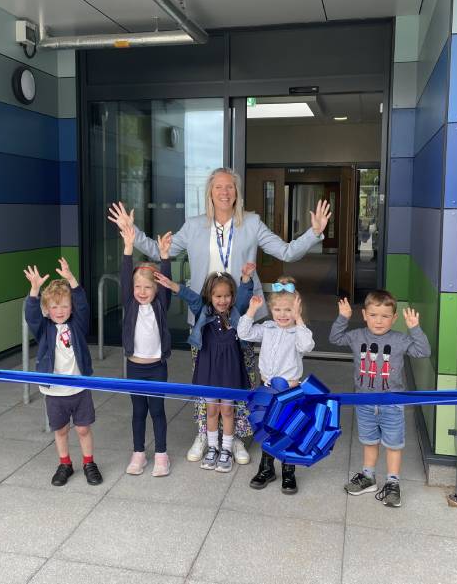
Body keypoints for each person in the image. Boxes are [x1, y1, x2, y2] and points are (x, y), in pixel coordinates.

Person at [108, 167, 332, 464]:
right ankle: (205, 434)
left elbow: (287, 252)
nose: (225, 192)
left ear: (236, 192)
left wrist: (314, 232)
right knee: (206, 380)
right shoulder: (194, 225)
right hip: (204, 318)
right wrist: (131, 233)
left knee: (240, 380)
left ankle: (235, 436)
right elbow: (159, 249)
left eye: (230, 187)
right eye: (218, 187)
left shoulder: (252, 223)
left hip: (243, 316)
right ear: (210, 193)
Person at [329, 290, 431, 507]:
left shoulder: (400, 339)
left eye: (385, 316)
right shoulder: (357, 336)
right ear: (364, 314)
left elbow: (423, 351)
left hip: (392, 403)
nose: (379, 321)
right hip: (364, 402)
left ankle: (393, 483)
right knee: (369, 440)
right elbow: (335, 338)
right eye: (374, 315)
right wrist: (343, 318)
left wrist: (414, 329)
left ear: (394, 318)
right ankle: (368, 477)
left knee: (394, 444)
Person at [154, 264, 255, 473]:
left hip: (230, 369)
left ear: (232, 296)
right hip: (209, 368)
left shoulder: (236, 312)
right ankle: (212, 447)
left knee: (227, 410)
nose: (222, 300)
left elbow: (245, 296)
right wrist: (172, 285)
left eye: (227, 296)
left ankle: (226, 449)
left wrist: (246, 278)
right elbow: (189, 296)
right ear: (209, 296)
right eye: (217, 296)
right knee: (211, 410)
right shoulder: (203, 310)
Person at [23, 258, 103, 487]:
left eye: (65, 306)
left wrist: (71, 281)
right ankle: (65, 463)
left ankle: (89, 462)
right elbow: (31, 315)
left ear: (71, 308)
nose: (60, 311)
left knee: (83, 429)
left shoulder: (77, 325)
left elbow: (84, 306)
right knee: (60, 430)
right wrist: (35, 290)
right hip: (55, 392)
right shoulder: (44, 329)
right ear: (47, 310)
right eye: (54, 307)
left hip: (79, 388)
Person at [237, 276, 315, 495]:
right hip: (267, 388)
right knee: (267, 428)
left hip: (290, 391)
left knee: (288, 430)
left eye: (288, 310)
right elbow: (243, 333)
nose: (283, 315)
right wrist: (252, 311)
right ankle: (266, 468)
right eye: (278, 309)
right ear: (271, 309)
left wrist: (299, 320)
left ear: (297, 310)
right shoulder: (268, 328)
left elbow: (307, 345)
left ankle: (288, 471)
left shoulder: (298, 332)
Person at [118, 219, 174, 477]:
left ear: (156, 289)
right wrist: (128, 248)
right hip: (135, 367)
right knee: (138, 411)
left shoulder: (160, 305)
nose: (142, 291)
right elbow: (125, 276)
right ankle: (138, 453)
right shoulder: (129, 304)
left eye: (148, 287)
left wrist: (164, 257)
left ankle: (161, 454)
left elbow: (165, 282)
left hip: (156, 368)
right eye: (138, 287)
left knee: (157, 411)